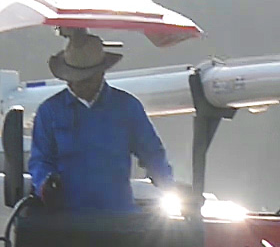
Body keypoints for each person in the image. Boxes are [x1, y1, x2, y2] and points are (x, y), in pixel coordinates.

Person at [27, 31, 173, 216]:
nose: (77, 85)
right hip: (66, 221)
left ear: (101, 73)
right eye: (72, 79)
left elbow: (152, 154)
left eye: (85, 79)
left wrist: (169, 186)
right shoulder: (49, 112)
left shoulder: (127, 107)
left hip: (118, 218)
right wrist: (45, 184)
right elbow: (40, 160)